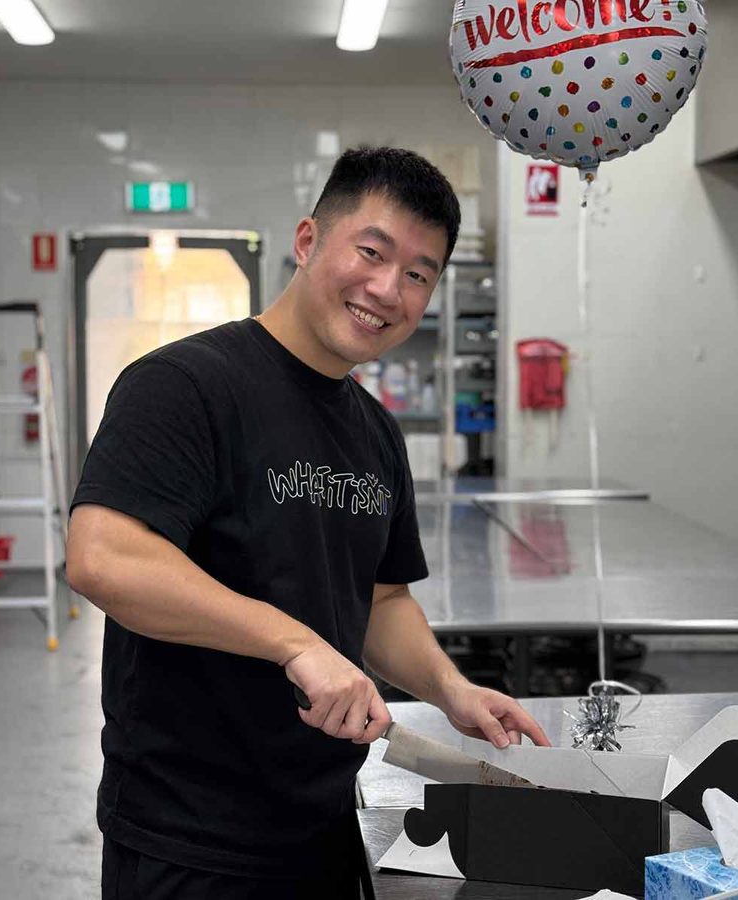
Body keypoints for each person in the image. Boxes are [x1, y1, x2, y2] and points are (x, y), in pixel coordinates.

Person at [66, 146, 550, 900]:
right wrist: (295, 643)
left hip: (327, 825)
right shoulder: (184, 385)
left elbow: (381, 601)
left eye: (418, 274)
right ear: (306, 240)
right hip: (191, 839)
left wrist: (450, 690)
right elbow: (104, 558)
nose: (387, 289)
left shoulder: (376, 433)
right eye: (372, 252)